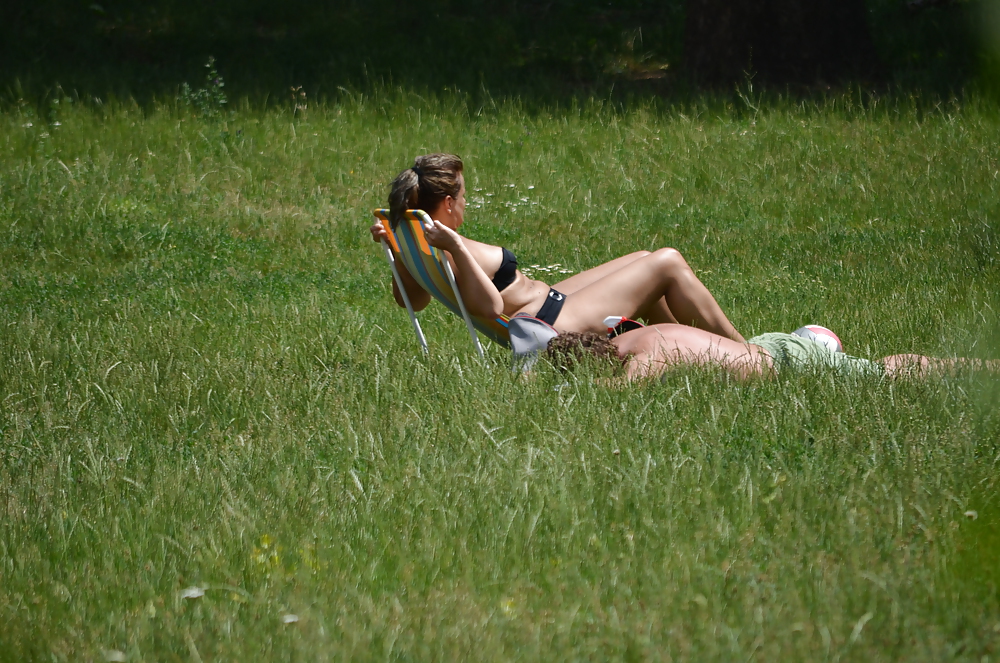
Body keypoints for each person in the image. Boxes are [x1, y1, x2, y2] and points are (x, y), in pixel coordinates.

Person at [368, 153, 745, 341]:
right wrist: (459, 249)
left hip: (549, 304)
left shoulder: (420, 237)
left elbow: (412, 300)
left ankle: (698, 354)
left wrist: (400, 255)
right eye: (464, 194)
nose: (468, 201)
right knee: (667, 262)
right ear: (448, 203)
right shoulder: (447, 244)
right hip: (551, 325)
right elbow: (489, 306)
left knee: (643, 261)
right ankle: (747, 354)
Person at [544, 324, 1000, 381]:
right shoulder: (641, 333)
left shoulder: (646, 353)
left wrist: (544, 390)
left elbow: (627, 390)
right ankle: (821, 337)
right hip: (766, 345)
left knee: (890, 372)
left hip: (788, 361)